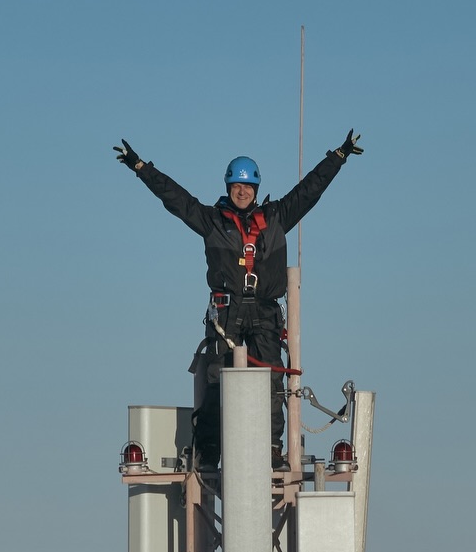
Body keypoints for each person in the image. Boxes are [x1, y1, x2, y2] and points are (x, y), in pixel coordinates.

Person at [114, 130, 363, 470]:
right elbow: (175, 198)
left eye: (247, 187)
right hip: (226, 312)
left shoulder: (276, 217)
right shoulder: (212, 221)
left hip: (264, 311)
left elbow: (309, 191)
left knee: (274, 380)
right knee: (216, 380)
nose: (242, 192)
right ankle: (208, 452)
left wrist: (338, 157)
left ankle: (273, 448)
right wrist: (141, 167)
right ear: (228, 188)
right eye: (236, 186)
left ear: (256, 190)